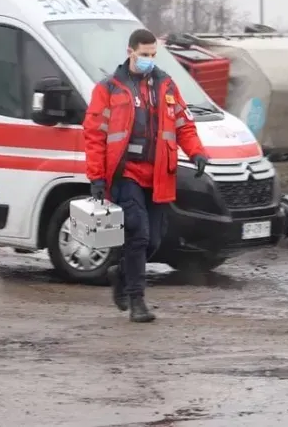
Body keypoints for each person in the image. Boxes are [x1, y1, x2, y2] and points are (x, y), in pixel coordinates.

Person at [83, 28, 209, 323]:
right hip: (126, 173)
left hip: (160, 174)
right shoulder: (109, 88)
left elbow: (183, 124)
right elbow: (94, 136)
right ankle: (137, 300)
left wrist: (197, 152)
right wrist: (97, 178)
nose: (149, 60)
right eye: (144, 55)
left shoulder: (166, 85)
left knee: (153, 241)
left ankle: (121, 273)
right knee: (138, 233)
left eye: (153, 55)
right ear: (130, 52)